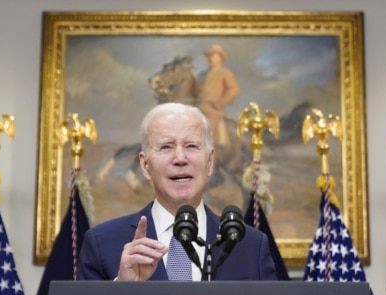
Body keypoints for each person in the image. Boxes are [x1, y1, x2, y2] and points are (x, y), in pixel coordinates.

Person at [77, 102, 278, 281]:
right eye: (166, 147)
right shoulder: (102, 243)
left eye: (191, 146)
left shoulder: (251, 245)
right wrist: (121, 289)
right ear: (145, 166)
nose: (180, 158)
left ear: (210, 162)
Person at [197, 43, 240, 146]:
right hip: (199, 107)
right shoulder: (202, 75)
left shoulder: (225, 72)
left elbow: (234, 89)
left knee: (207, 133)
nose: (210, 59)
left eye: (213, 56)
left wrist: (221, 103)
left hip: (214, 110)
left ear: (220, 58)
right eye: (209, 56)